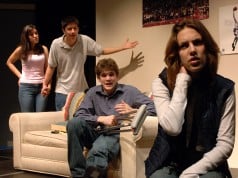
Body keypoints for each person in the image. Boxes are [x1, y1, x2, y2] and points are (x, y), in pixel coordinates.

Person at [145, 18, 235, 178]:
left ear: (207, 47)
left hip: (207, 161)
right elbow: (172, 127)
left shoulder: (224, 89)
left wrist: (192, 172)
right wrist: (181, 81)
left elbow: (225, 144)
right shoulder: (161, 83)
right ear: (176, 53)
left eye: (198, 42)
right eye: (184, 46)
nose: (192, 50)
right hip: (169, 160)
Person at [67, 58, 157, 178]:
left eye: (111, 74)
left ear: (117, 76)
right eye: (104, 75)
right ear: (99, 78)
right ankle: (78, 175)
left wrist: (134, 111)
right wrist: (101, 119)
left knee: (98, 150)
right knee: (74, 123)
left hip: (115, 133)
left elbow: (154, 108)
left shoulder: (130, 91)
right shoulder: (92, 93)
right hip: (95, 131)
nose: (108, 78)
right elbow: (79, 114)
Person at [41, 16, 139, 111]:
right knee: (62, 123)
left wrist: (122, 47)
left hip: (81, 91)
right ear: (63, 30)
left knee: (83, 119)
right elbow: (51, 66)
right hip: (62, 91)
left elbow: (102, 51)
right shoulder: (56, 44)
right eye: (69, 29)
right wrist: (45, 84)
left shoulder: (84, 40)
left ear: (78, 29)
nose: (73, 31)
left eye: (75, 28)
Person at [6, 24, 49, 112]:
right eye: (32, 34)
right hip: (26, 87)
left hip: (41, 86)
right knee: (28, 117)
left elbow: (48, 69)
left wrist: (48, 85)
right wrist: (20, 76)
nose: (35, 36)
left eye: (36, 33)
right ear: (26, 37)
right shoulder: (21, 49)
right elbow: (9, 62)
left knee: (40, 116)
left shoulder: (44, 49)